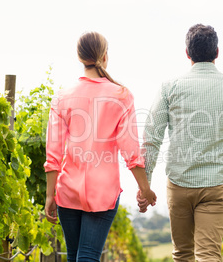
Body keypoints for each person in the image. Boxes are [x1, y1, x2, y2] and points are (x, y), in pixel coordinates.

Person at [137, 24, 223, 261]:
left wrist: (146, 184)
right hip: (216, 186)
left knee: (182, 255)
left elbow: (151, 138)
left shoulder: (169, 88)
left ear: (187, 53)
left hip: (179, 185)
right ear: (217, 52)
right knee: (209, 255)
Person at [44, 31, 157, 262]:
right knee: (88, 256)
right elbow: (130, 151)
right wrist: (145, 189)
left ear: (79, 57)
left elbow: (53, 153)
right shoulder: (121, 95)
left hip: (68, 190)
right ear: (105, 56)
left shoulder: (62, 97)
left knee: (75, 255)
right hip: (103, 191)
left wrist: (49, 194)